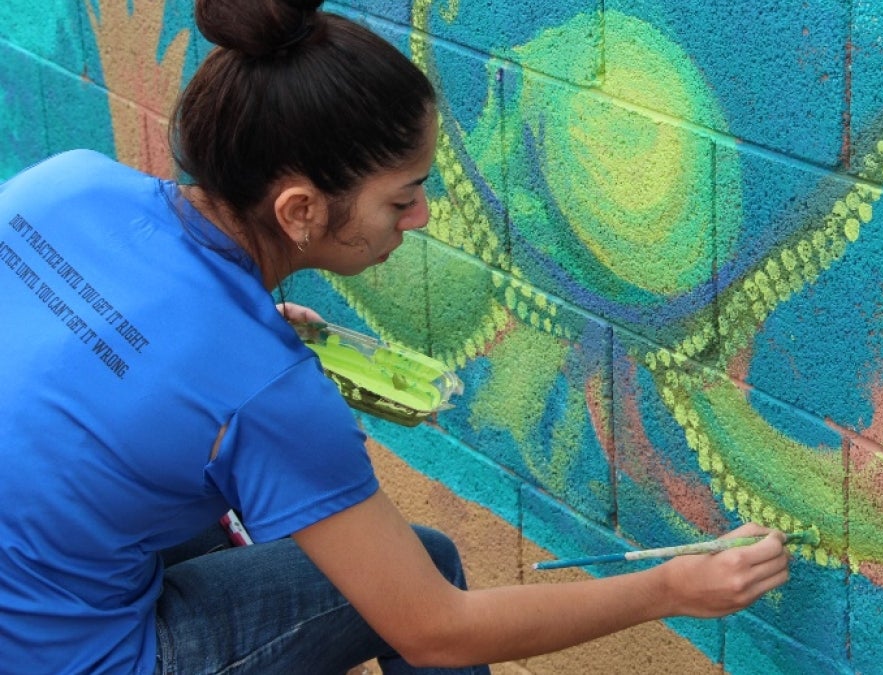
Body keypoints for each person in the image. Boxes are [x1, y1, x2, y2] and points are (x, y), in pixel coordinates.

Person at [0, 0, 792, 672]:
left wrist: (217, 351)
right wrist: (673, 589)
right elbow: (433, 626)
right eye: (403, 197)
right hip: (72, 655)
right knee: (428, 564)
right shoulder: (269, 393)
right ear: (301, 211)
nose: (418, 219)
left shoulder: (67, 180)